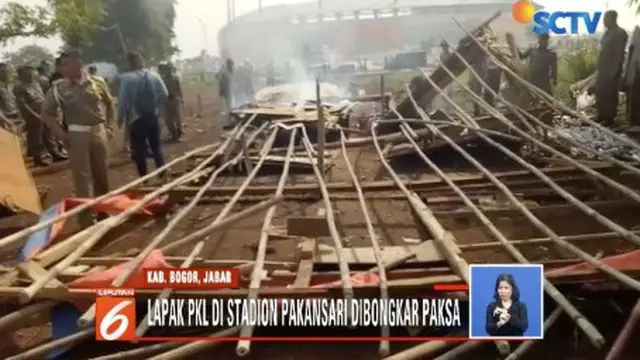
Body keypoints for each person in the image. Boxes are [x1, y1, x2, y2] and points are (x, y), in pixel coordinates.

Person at [41, 51, 115, 227]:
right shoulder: (58, 89)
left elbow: (110, 104)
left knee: (102, 174)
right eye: (62, 65)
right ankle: (87, 219)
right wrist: (61, 134)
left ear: (78, 64)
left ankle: (103, 210)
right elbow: (46, 114)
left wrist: (110, 127)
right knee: (82, 179)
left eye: (67, 64)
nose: (63, 69)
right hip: (77, 135)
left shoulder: (98, 82)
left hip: (99, 131)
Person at [117, 52, 168, 177]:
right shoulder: (154, 75)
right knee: (156, 147)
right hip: (152, 116)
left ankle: (144, 177)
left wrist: (120, 118)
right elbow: (164, 94)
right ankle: (162, 173)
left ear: (129, 63)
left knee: (139, 150)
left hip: (136, 119)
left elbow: (123, 101)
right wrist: (155, 105)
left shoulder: (126, 79)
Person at [14, 65, 67, 166]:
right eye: (28, 73)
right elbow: (23, 104)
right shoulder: (19, 87)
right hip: (33, 115)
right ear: (22, 75)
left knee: (48, 134)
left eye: (32, 73)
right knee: (35, 137)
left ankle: (54, 153)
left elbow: (42, 97)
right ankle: (38, 158)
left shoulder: (35, 84)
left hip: (43, 112)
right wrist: (34, 115)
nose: (31, 75)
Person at [594, 10, 629, 127]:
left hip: (611, 69)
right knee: (600, 91)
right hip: (603, 68)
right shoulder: (607, 33)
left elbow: (619, 53)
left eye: (606, 18)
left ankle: (609, 118)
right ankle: (601, 114)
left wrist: (614, 70)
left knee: (610, 93)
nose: (604, 21)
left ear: (613, 19)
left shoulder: (619, 33)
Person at [159, 63, 184, 142]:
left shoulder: (175, 78)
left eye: (170, 69)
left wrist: (181, 98)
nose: (169, 71)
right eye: (167, 69)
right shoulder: (162, 79)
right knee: (168, 119)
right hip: (166, 100)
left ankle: (179, 133)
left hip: (174, 99)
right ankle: (174, 134)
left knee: (178, 118)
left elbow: (179, 89)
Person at [623, 26, 640, 126]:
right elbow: (631, 52)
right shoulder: (637, 33)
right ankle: (633, 120)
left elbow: (631, 51)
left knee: (634, 95)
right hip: (635, 70)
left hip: (636, 70)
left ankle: (634, 120)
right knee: (633, 95)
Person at [0, 63, 21, 132]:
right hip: (5, 119)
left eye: (7, 71)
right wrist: (6, 120)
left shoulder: (10, 86)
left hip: (16, 116)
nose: (6, 73)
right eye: (3, 71)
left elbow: (15, 102)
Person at [218, 58, 234, 126]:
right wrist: (222, 91)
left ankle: (230, 119)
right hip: (227, 91)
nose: (231, 65)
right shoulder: (224, 72)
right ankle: (228, 120)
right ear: (228, 64)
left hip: (232, 91)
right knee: (228, 106)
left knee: (232, 105)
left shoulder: (232, 71)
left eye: (232, 64)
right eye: (230, 64)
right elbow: (221, 82)